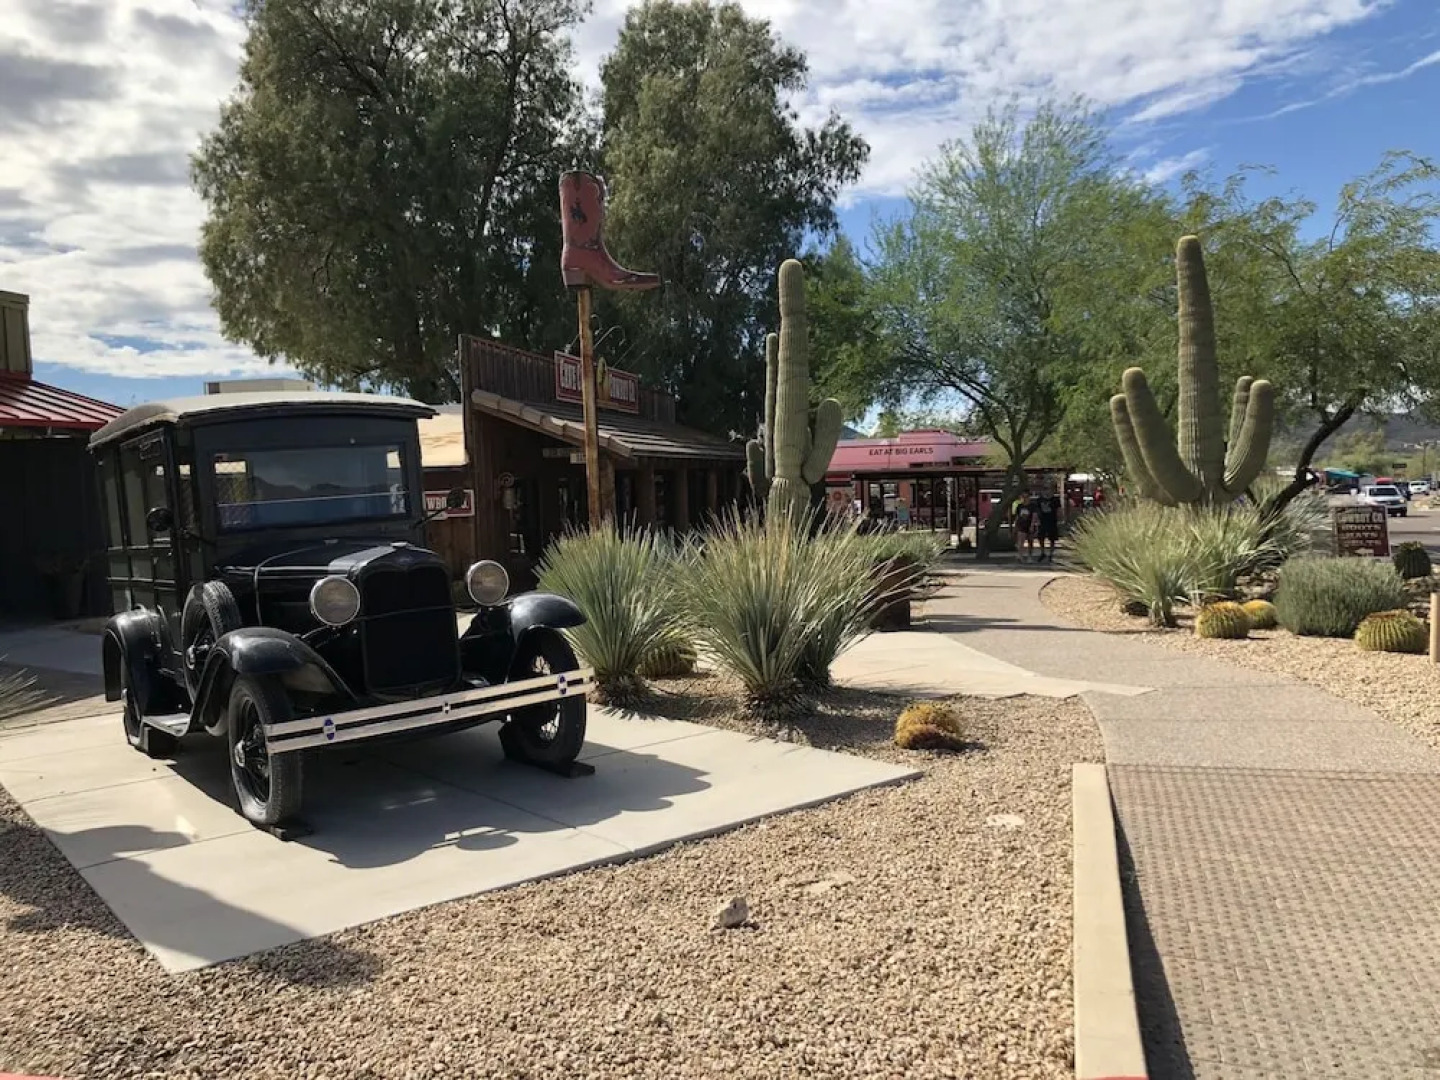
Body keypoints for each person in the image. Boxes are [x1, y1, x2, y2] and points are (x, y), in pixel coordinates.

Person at [1037, 490, 1061, 563]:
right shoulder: (1039, 500)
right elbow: (1037, 510)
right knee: (1041, 537)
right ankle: (1042, 552)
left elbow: (1058, 510)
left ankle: (1051, 554)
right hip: (1042, 521)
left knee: (1052, 538)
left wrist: (1059, 518)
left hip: (1052, 521)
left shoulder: (1055, 500)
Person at [1014, 494, 1038, 562]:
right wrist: (1015, 525)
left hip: (1029, 524)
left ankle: (1030, 556)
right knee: (1020, 541)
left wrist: (1032, 525)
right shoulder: (1019, 506)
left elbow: (1034, 516)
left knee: (1030, 541)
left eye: (1026, 497)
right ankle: (1020, 555)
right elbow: (1017, 517)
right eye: (1023, 497)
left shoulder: (1032, 506)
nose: (1025, 499)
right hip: (1021, 525)